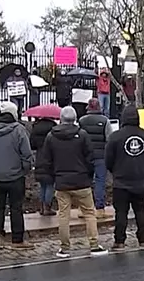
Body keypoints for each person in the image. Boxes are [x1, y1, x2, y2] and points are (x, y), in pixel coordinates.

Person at [39, 106, 107, 257]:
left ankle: (64, 248)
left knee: (64, 215)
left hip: (62, 182)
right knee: (89, 213)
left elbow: (47, 160)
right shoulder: (82, 135)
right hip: (81, 181)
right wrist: (88, 175)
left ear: (61, 118)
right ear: (75, 119)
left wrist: (55, 177)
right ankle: (94, 244)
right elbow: (90, 158)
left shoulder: (51, 136)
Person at [106, 106, 144, 250]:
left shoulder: (115, 137)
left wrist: (115, 171)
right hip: (140, 180)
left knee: (121, 212)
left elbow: (108, 160)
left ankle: (119, 241)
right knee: (141, 211)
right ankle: (143, 240)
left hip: (121, 182)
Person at [0, 101, 34, 249]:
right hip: (15, 176)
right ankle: (17, 239)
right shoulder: (19, 130)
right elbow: (26, 153)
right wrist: (25, 169)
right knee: (16, 207)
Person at [79, 99, 113, 216]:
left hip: (85, 157)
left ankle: (84, 209)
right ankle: (99, 208)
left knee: (85, 183)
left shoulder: (82, 121)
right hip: (100, 156)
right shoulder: (105, 121)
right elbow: (109, 139)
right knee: (100, 182)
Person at [30, 114, 59, 216]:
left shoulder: (35, 127)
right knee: (50, 184)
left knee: (43, 185)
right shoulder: (53, 127)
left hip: (39, 157)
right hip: (50, 158)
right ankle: (47, 207)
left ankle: (42, 207)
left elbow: (32, 144)